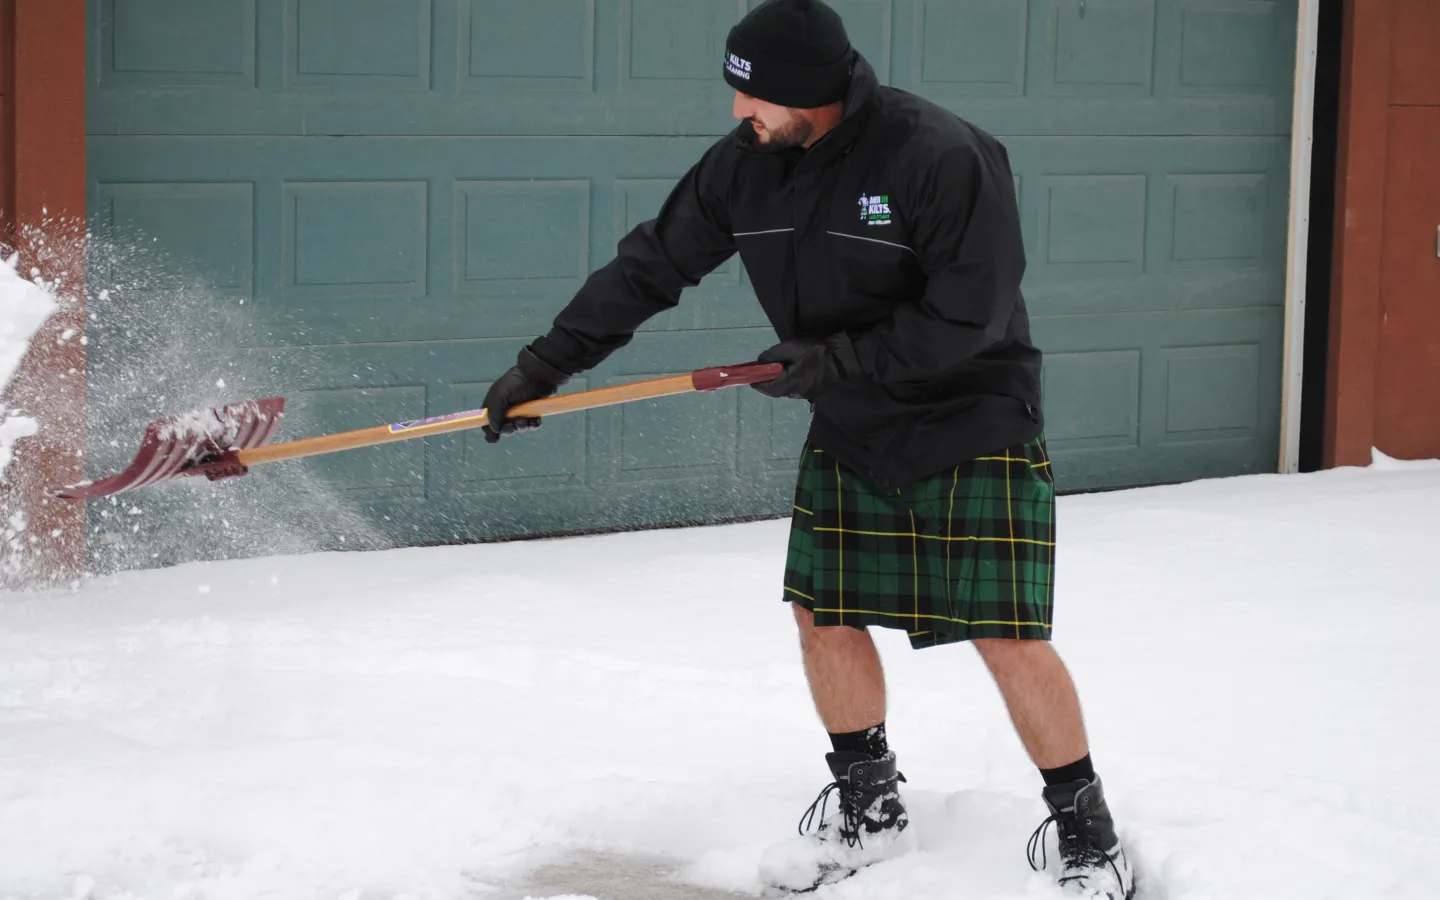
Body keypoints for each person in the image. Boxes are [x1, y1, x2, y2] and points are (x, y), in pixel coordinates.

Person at [478, 1, 1134, 896]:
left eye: (752, 95)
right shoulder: (744, 165)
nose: (737, 113)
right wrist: (545, 365)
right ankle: (871, 804)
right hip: (853, 417)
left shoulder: (938, 154)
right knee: (823, 616)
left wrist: (840, 359)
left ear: (805, 91)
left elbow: (971, 314)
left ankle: (1088, 835)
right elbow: (650, 266)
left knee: (1006, 633)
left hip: (970, 413)